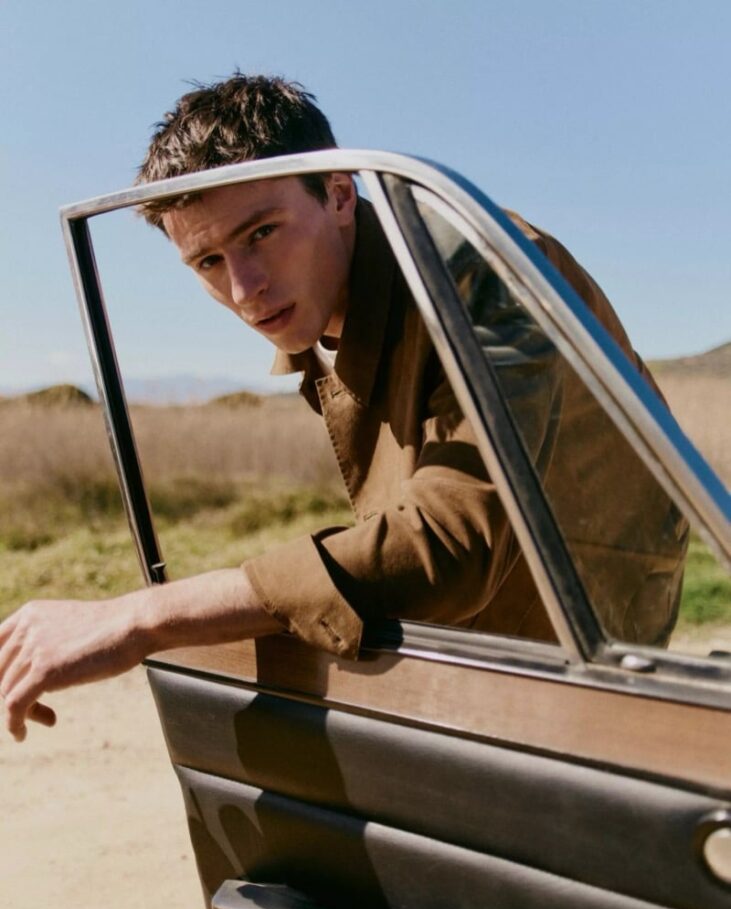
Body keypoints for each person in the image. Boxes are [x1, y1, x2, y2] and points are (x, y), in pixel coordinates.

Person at [0, 74, 686, 742]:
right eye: (207, 262)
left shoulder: (478, 273)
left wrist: (144, 615)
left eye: (261, 233)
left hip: (588, 665)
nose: (243, 290)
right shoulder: (322, 313)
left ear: (337, 194)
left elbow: (449, 545)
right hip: (477, 661)